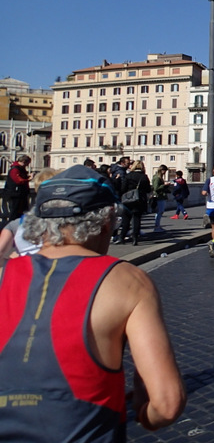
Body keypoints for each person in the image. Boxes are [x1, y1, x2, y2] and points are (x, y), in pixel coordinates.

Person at [0, 165, 186, 439]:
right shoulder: (127, 281)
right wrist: (145, 415)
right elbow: (167, 405)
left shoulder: (5, 275)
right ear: (107, 220)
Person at [118, 160, 151, 246]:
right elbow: (148, 189)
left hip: (128, 200)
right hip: (139, 200)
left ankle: (122, 237)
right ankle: (135, 238)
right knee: (136, 219)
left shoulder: (128, 176)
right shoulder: (144, 177)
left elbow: (123, 189)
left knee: (126, 219)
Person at [4, 154, 32, 221]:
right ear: (24, 162)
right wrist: (29, 179)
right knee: (14, 212)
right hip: (15, 194)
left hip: (20, 193)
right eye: (27, 163)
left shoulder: (19, 169)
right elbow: (18, 181)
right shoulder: (15, 169)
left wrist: (27, 177)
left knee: (21, 212)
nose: (27, 165)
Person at [151, 164, 170, 233]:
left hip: (161, 196)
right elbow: (156, 188)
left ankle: (157, 225)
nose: (165, 172)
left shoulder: (159, 177)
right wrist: (164, 185)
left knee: (160, 211)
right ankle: (156, 226)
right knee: (159, 211)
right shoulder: (157, 178)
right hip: (159, 196)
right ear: (161, 170)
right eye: (164, 170)